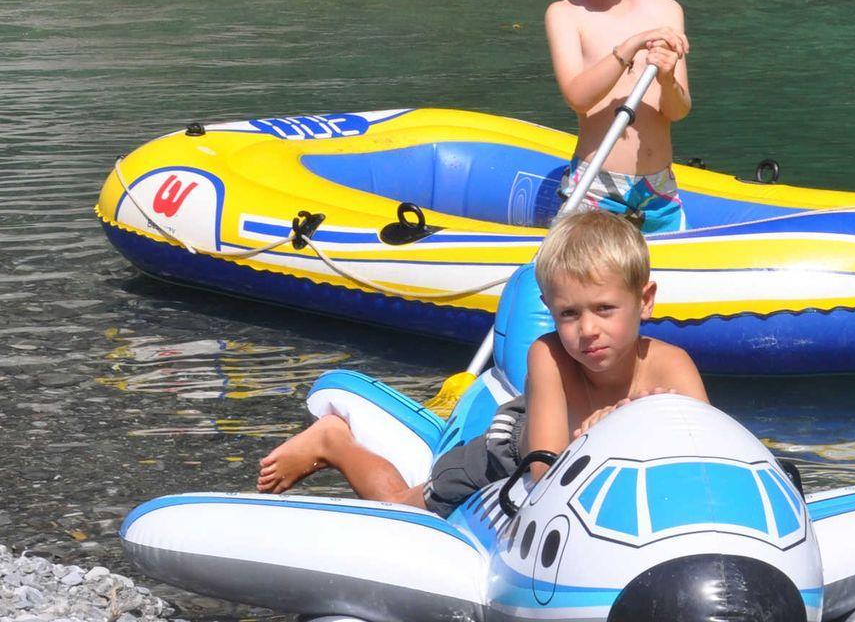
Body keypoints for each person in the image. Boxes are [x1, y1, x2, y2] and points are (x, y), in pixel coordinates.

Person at [256, 211, 708, 511]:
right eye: (569, 314)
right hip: (508, 450)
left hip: (570, 447)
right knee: (404, 510)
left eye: (605, 309)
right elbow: (541, 469)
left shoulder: (673, 367)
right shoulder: (550, 355)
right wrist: (601, 435)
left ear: (645, 300)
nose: (587, 329)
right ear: (550, 311)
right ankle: (335, 442)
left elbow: (706, 457)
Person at [544, 0, 692, 234]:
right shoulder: (565, 14)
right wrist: (628, 47)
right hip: (598, 186)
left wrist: (668, 78)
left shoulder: (666, 10)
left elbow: (678, 110)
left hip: (659, 189)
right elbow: (578, 97)